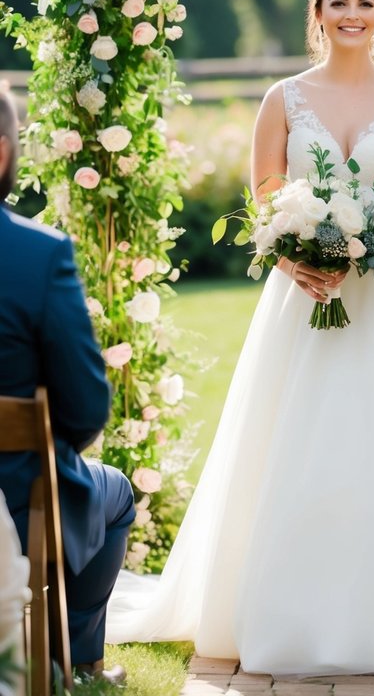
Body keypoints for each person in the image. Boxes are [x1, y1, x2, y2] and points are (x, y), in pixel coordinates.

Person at [106, 0, 374, 675]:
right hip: (307, 302)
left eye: (363, 1)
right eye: (337, 2)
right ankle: (288, 609)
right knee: (300, 446)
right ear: (318, 14)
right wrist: (292, 257)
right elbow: (264, 199)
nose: (350, 13)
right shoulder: (283, 98)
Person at [0, 88, 135, 686]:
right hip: (14, 496)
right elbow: (84, 413)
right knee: (116, 493)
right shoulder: (38, 255)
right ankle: (75, 663)